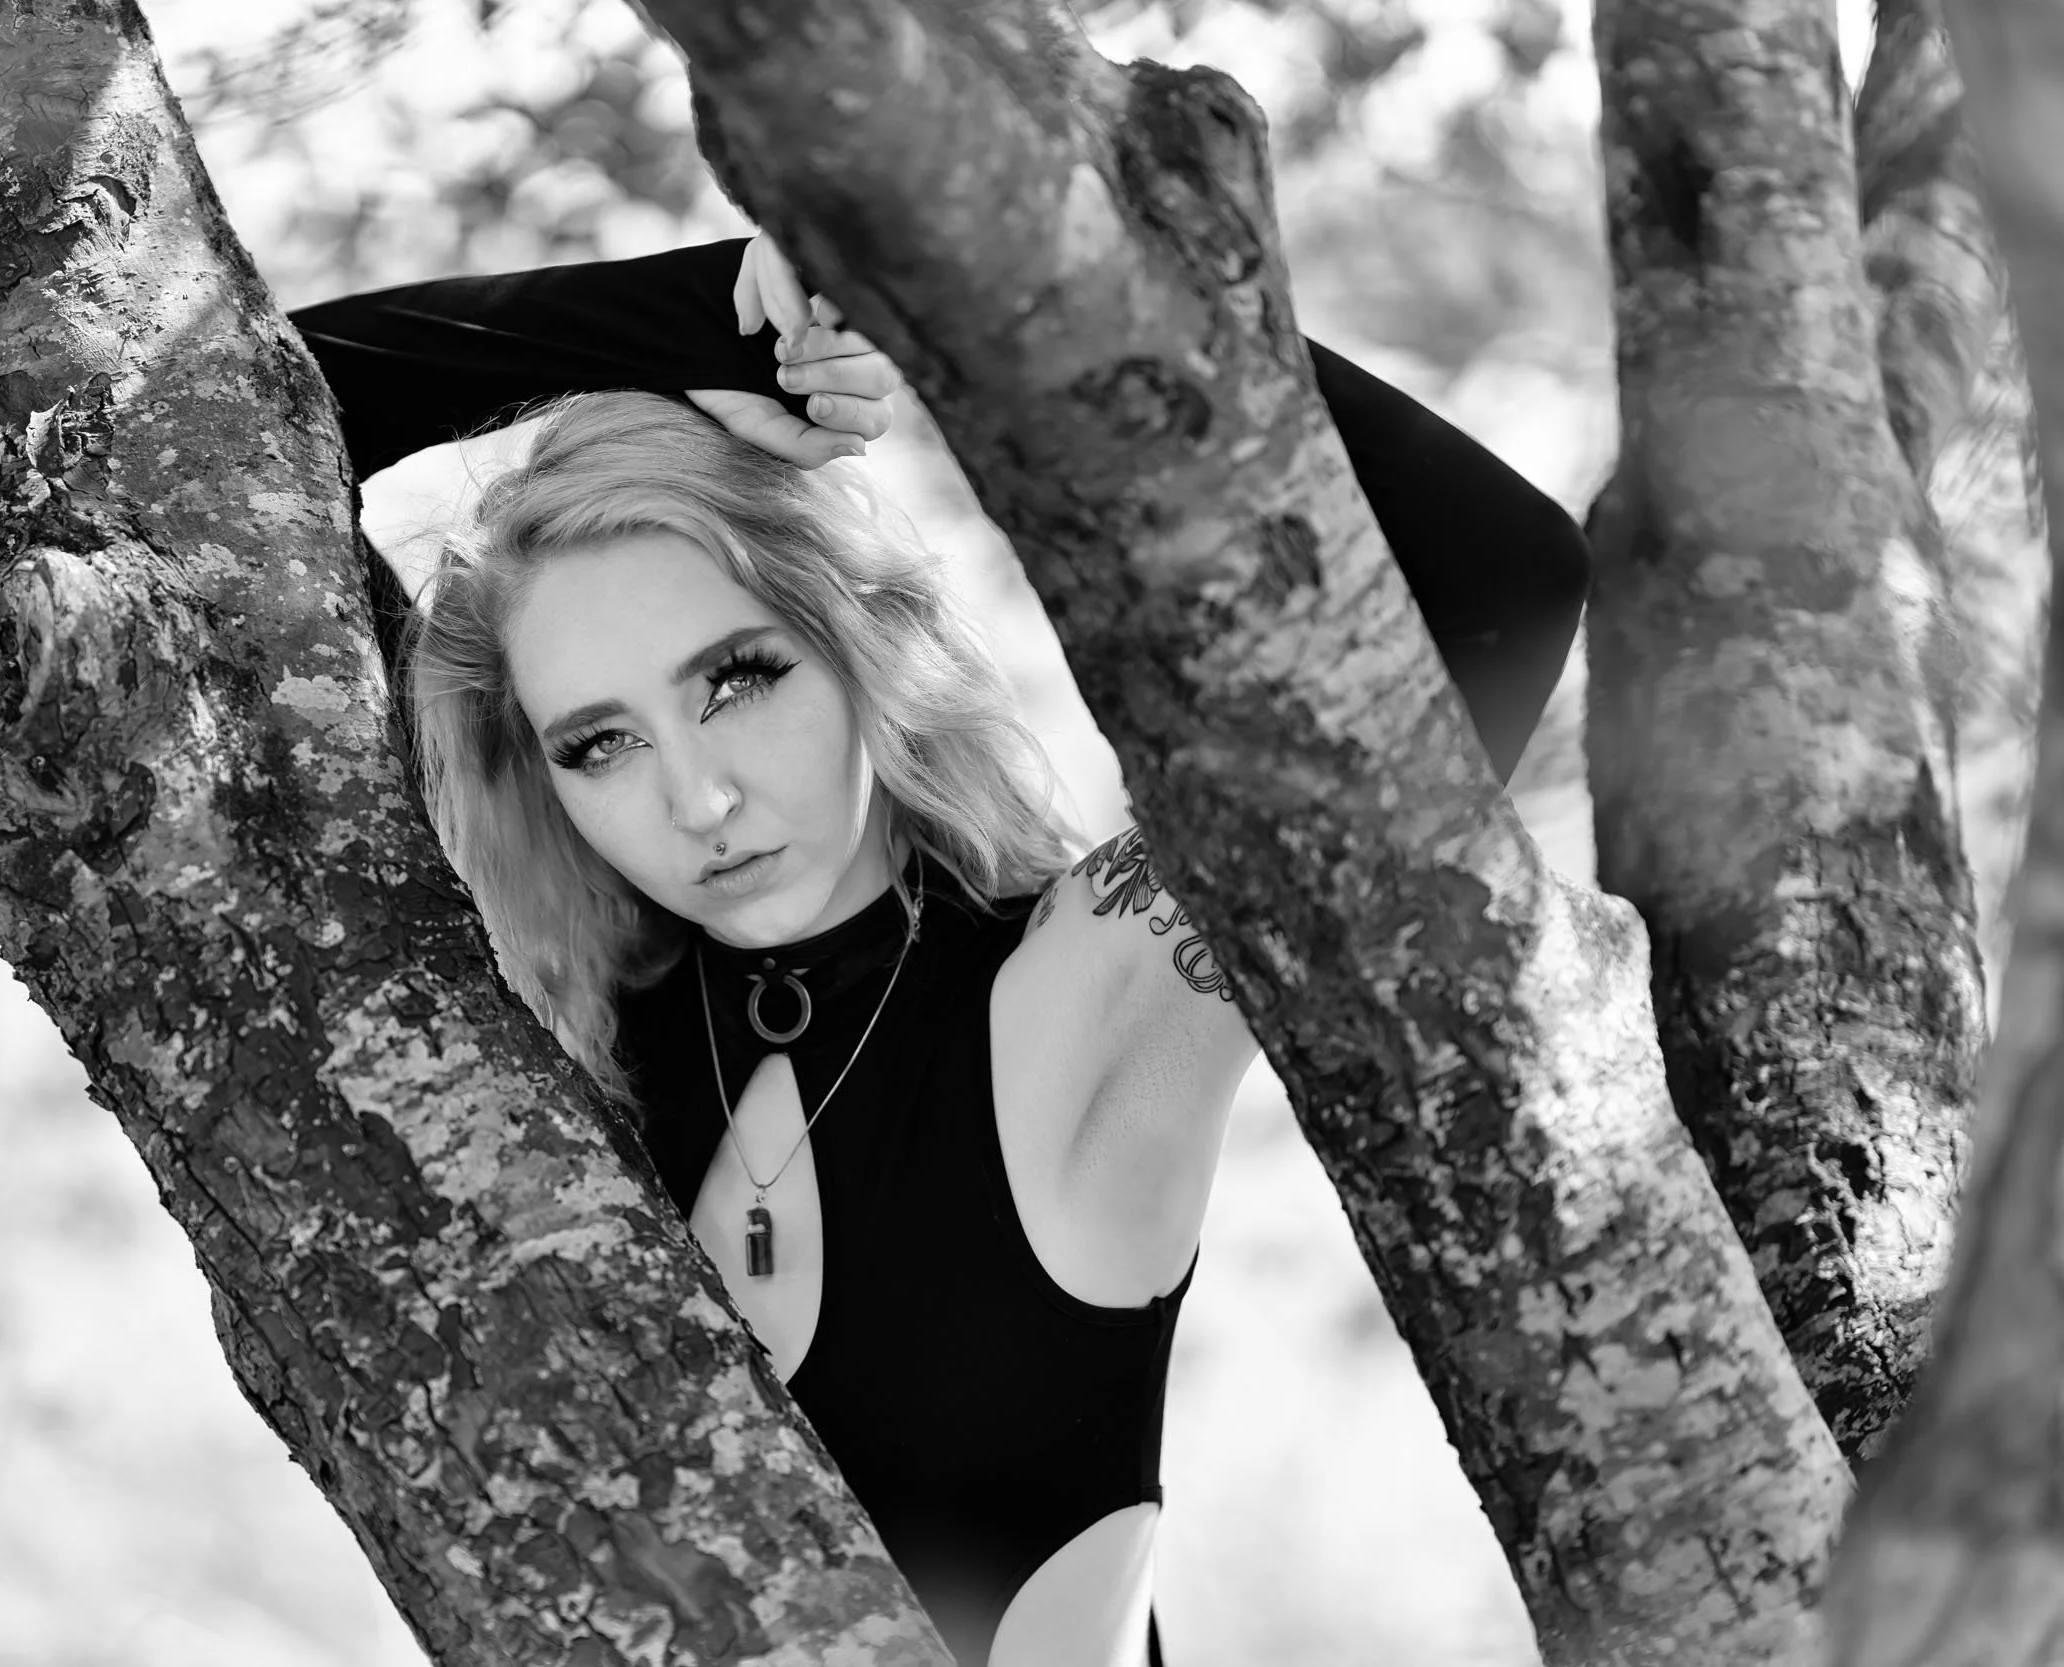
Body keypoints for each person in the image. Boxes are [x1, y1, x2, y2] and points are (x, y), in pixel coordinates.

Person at [289, 231, 1588, 1666]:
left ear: (862, 639)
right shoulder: (550, 1058)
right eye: (601, 743)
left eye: (736, 679)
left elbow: (1503, 575)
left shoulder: (1094, 982)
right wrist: (706, 317)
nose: (696, 799)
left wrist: (958, 271)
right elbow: (232, 413)